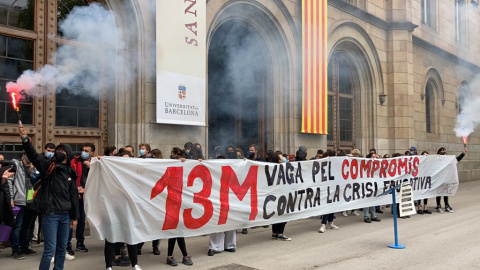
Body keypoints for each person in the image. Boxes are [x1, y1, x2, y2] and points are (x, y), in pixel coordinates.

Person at [19, 125, 79, 270]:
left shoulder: (71, 172)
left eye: (62, 151)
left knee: (61, 249)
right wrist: (25, 139)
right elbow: (33, 155)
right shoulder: (48, 166)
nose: (59, 153)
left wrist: (74, 217)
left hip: (65, 216)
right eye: (58, 150)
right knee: (49, 250)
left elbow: (73, 196)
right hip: (50, 214)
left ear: (68, 154)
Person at [104, 151, 143, 270]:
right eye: (123, 158)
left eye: (128, 158)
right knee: (111, 237)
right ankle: (108, 266)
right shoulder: (111, 171)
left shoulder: (133, 172)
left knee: (131, 236)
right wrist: (99, 161)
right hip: (113, 208)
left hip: (128, 208)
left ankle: (134, 263)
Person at [166, 147, 193, 266]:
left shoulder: (186, 165)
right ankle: (183, 255)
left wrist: (199, 162)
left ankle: (171, 256)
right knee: (176, 230)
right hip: (171, 202)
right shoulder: (168, 165)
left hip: (182, 202)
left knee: (177, 230)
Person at [7, 154, 36, 259]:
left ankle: (25, 247)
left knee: (27, 226)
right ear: (23, 155)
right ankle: (15, 250)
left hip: (30, 201)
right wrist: (11, 198)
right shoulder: (15, 164)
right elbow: (9, 181)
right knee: (17, 227)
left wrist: (32, 172)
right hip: (18, 200)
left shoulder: (35, 166)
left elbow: (35, 183)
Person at [208, 154, 238, 256]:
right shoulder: (212, 173)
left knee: (230, 223)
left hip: (229, 200)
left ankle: (230, 245)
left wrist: (245, 162)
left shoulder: (231, 172)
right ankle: (214, 246)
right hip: (216, 201)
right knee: (217, 223)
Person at [435, 147, 466, 213]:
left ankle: (446, 205)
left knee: (446, 192)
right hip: (439, 179)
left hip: (446, 179)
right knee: (438, 193)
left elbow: (457, 159)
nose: (443, 152)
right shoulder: (437, 159)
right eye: (442, 151)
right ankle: (438, 206)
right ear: (439, 152)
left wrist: (463, 153)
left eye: (444, 150)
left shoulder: (449, 159)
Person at [319, 150, 340, 233]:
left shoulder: (335, 164)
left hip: (333, 187)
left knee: (332, 205)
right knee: (327, 206)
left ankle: (330, 222)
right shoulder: (323, 163)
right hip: (326, 188)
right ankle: (323, 224)